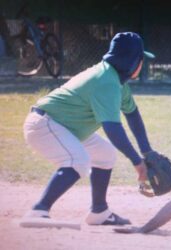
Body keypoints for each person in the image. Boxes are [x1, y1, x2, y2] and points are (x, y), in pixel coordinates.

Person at [23, 32, 156, 225]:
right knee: (77, 161)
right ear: (132, 61)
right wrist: (137, 162)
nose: (143, 64)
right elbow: (113, 130)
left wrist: (147, 152)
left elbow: (133, 115)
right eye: (141, 59)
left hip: (65, 127)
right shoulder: (106, 82)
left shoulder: (117, 81)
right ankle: (39, 210)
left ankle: (99, 212)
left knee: (105, 154)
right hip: (45, 125)